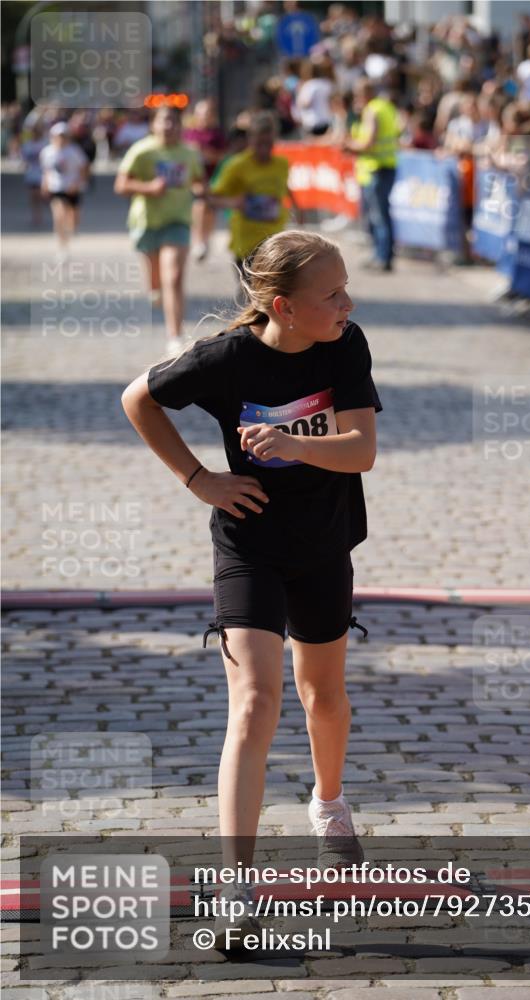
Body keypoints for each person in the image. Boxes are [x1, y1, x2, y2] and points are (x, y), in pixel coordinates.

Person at [121, 230, 382, 949]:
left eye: (344, 289)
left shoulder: (344, 345)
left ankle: (328, 806)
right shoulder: (227, 359)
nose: (346, 302)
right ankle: (237, 886)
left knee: (321, 696)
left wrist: (296, 444)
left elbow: (361, 449)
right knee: (254, 702)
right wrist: (200, 479)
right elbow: (137, 399)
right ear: (282, 307)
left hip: (324, 545)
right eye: (330, 294)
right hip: (247, 548)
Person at [114, 106, 205, 355]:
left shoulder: (190, 153)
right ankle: (154, 291)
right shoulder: (142, 151)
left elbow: (199, 183)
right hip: (146, 222)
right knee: (156, 282)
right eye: (163, 121)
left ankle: (174, 336)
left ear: (180, 125)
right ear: (153, 125)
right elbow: (121, 185)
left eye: (173, 121)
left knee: (173, 277)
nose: (168, 126)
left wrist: (200, 192)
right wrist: (149, 188)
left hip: (178, 221)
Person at [208, 111, 302, 274]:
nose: (264, 149)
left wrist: (297, 207)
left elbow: (284, 186)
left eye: (269, 143)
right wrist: (235, 203)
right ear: (250, 139)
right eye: (259, 143)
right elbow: (212, 198)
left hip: (274, 239)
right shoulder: (237, 165)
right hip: (246, 242)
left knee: (270, 292)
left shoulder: (281, 164)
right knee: (252, 294)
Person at [343, 77, 401, 272]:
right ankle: (380, 254)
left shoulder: (372, 110)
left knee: (378, 216)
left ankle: (382, 256)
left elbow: (368, 143)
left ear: (363, 94)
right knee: (380, 214)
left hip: (376, 169)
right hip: (384, 166)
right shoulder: (386, 106)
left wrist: (350, 145)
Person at [183, 99, 227, 261]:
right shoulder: (188, 133)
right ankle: (198, 240)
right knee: (200, 206)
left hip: (212, 178)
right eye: (201, 113)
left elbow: (223, 157)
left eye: (207, 113)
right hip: (193, 180)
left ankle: (205, 239)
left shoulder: (217, 135)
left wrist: (205, 153)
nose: (204, 117)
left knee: (208, 209)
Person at [39, 121, 89, 257]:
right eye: (58, 136)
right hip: (57, 188)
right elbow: (46, 170)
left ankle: (69, 232)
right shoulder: (47, 152)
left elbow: (84, 168)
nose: (60, 139)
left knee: (73, 218)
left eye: (63, 136)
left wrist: (78, 183)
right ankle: (62, 246)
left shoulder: (74, 151)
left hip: (72, 188)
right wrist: (45, 183)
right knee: (58, 216)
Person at [21, 121, 47, 227]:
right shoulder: (27, 145)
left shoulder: (44, 144)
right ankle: (36, 215)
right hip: (31, 174)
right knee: (33, 196)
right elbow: (24, 159)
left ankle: (43, 210)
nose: (35, 133)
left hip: (43, 174)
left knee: (41, 195)